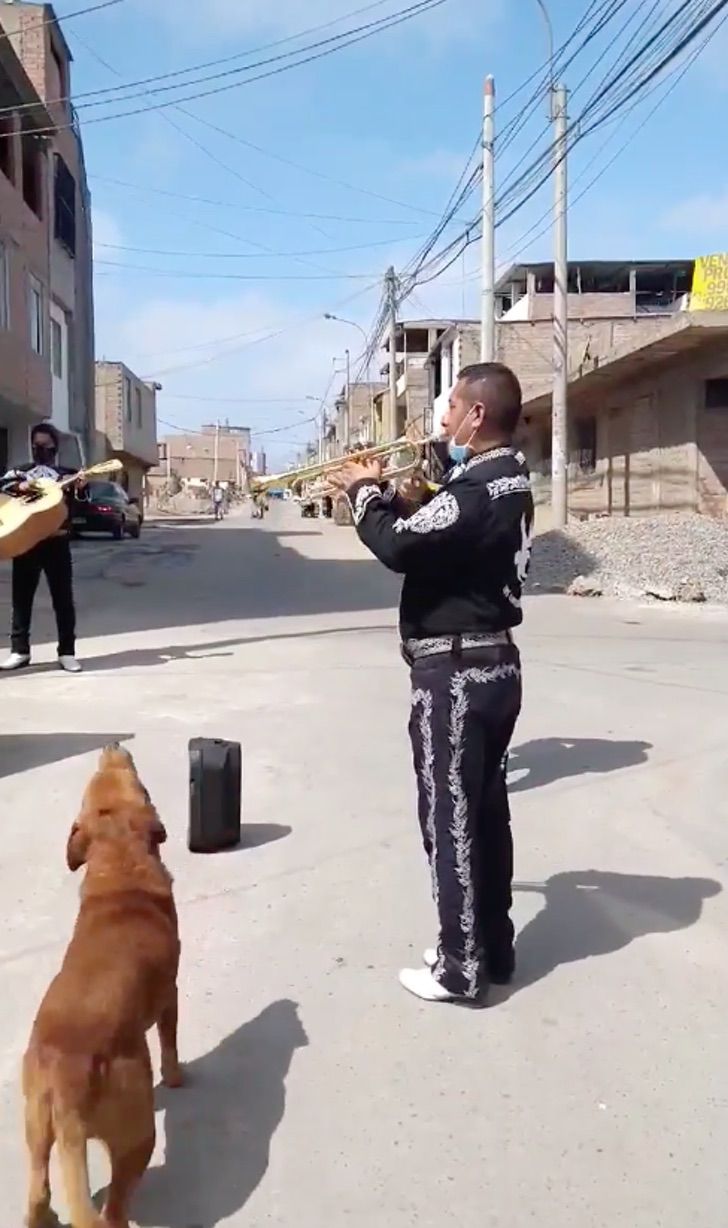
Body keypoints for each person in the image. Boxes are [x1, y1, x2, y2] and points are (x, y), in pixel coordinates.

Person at [330, 363, 534, 1006]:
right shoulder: (510, 481)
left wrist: (363, 491)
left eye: (450, 408)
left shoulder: (475, 491)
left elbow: (399, 546)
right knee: (488, 815)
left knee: (450, 820)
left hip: (456, 673)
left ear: (476, 416)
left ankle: (458, 966)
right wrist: (404, 491)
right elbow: (440, 530)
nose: (442, 419)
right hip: (497, 666)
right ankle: (489, 947)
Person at [0, 423, 87, 674]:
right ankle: (20, 651)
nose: (41, 451)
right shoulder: (20, 472)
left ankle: (67, 652)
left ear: (55, 448)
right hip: (26, 541)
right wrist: (18, 487)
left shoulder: (66, 475)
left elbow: (80, 507)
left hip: (56, 542)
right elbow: (2, 488)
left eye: (46, 447)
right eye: (36, 446)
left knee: (63, 600)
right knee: (21, 599)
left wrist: (80, 489)